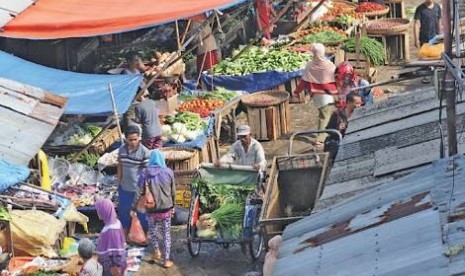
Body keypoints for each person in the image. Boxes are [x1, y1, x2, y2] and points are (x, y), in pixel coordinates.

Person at [130, 150, 176, 269]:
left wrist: (133, 207)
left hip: (151, 209)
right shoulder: (169, 172)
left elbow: (139, 192)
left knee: (153, 231)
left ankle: (156, 251)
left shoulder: (145, 173)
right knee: (166, 234)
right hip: (166, 208)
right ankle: (166, 260)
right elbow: (173, 192)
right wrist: (173, 206)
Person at [294, 43, 338, 148]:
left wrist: (297, 91)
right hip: (326, 95)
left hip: (315, 95)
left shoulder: (310, 65)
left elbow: (303, 81)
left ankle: (325, 132)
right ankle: (320, 139)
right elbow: (337, 78)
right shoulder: (329, 65)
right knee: (324, 116)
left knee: (323, 114)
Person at [117, 125, 151, 234]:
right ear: (125, 139)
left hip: (138, 190)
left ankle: (144, 236)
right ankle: (125, 236)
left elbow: (146, 174)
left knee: (142, 215)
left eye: (135, 139)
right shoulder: (122, 150)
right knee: (124, 214)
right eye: (130, 140)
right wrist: (119, 182)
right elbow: (120, 165)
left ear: (140, 138)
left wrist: (146, 191)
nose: (133, 142)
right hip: (125, 188)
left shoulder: (145, 152)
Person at [324, 92, 362, 163]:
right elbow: (328, 130)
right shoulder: (337, 114)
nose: (359, 105)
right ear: (348, 102)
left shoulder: (361, 113)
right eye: (356, 103)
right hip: (340, 141)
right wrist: (338, 129)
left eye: (360, 103)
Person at [95, 199, 127, 276]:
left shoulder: (111, 230)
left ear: (104, 211)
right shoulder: (115, 222)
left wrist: (116, 268)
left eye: (99, 210)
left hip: (111, 267)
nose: (97, 213)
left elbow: (116, 252)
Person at [414, 0, 441, 83]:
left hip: (435, 36)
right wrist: (416, 39)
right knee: (424, 58)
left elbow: (439, 21)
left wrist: (440, 35)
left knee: (436, 57)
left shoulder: (437, 7)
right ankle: (425, 76)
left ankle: (435, 74)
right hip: (424, 37)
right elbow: (417, 24)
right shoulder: (420, 9)